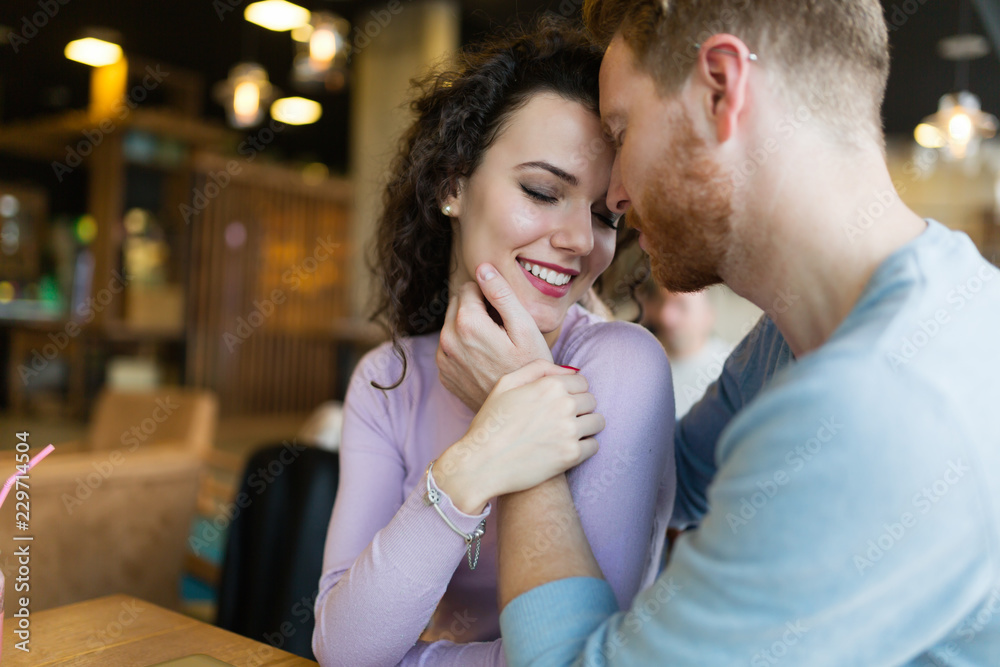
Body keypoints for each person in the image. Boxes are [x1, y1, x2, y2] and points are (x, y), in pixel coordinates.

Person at [434, 1, 1000, 664]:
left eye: (621, 131)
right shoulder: (797, 334)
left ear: (721, 89)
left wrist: (521, 415)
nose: (612, 195)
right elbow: (667, 483)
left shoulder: (880, 402)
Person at [311, 20, 676, 667]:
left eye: (603, 216)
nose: (577, 239)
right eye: (541, 191)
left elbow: (580, 657)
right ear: (454, 184)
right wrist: (478, 458)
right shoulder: (388, 376)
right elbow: (343, 647)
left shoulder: (622, 366)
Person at [638, 283, 732, 417]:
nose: (665, 316)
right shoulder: (637, 362)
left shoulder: (731, 370)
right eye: (661, 301)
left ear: (708, 315)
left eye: (681, 306)